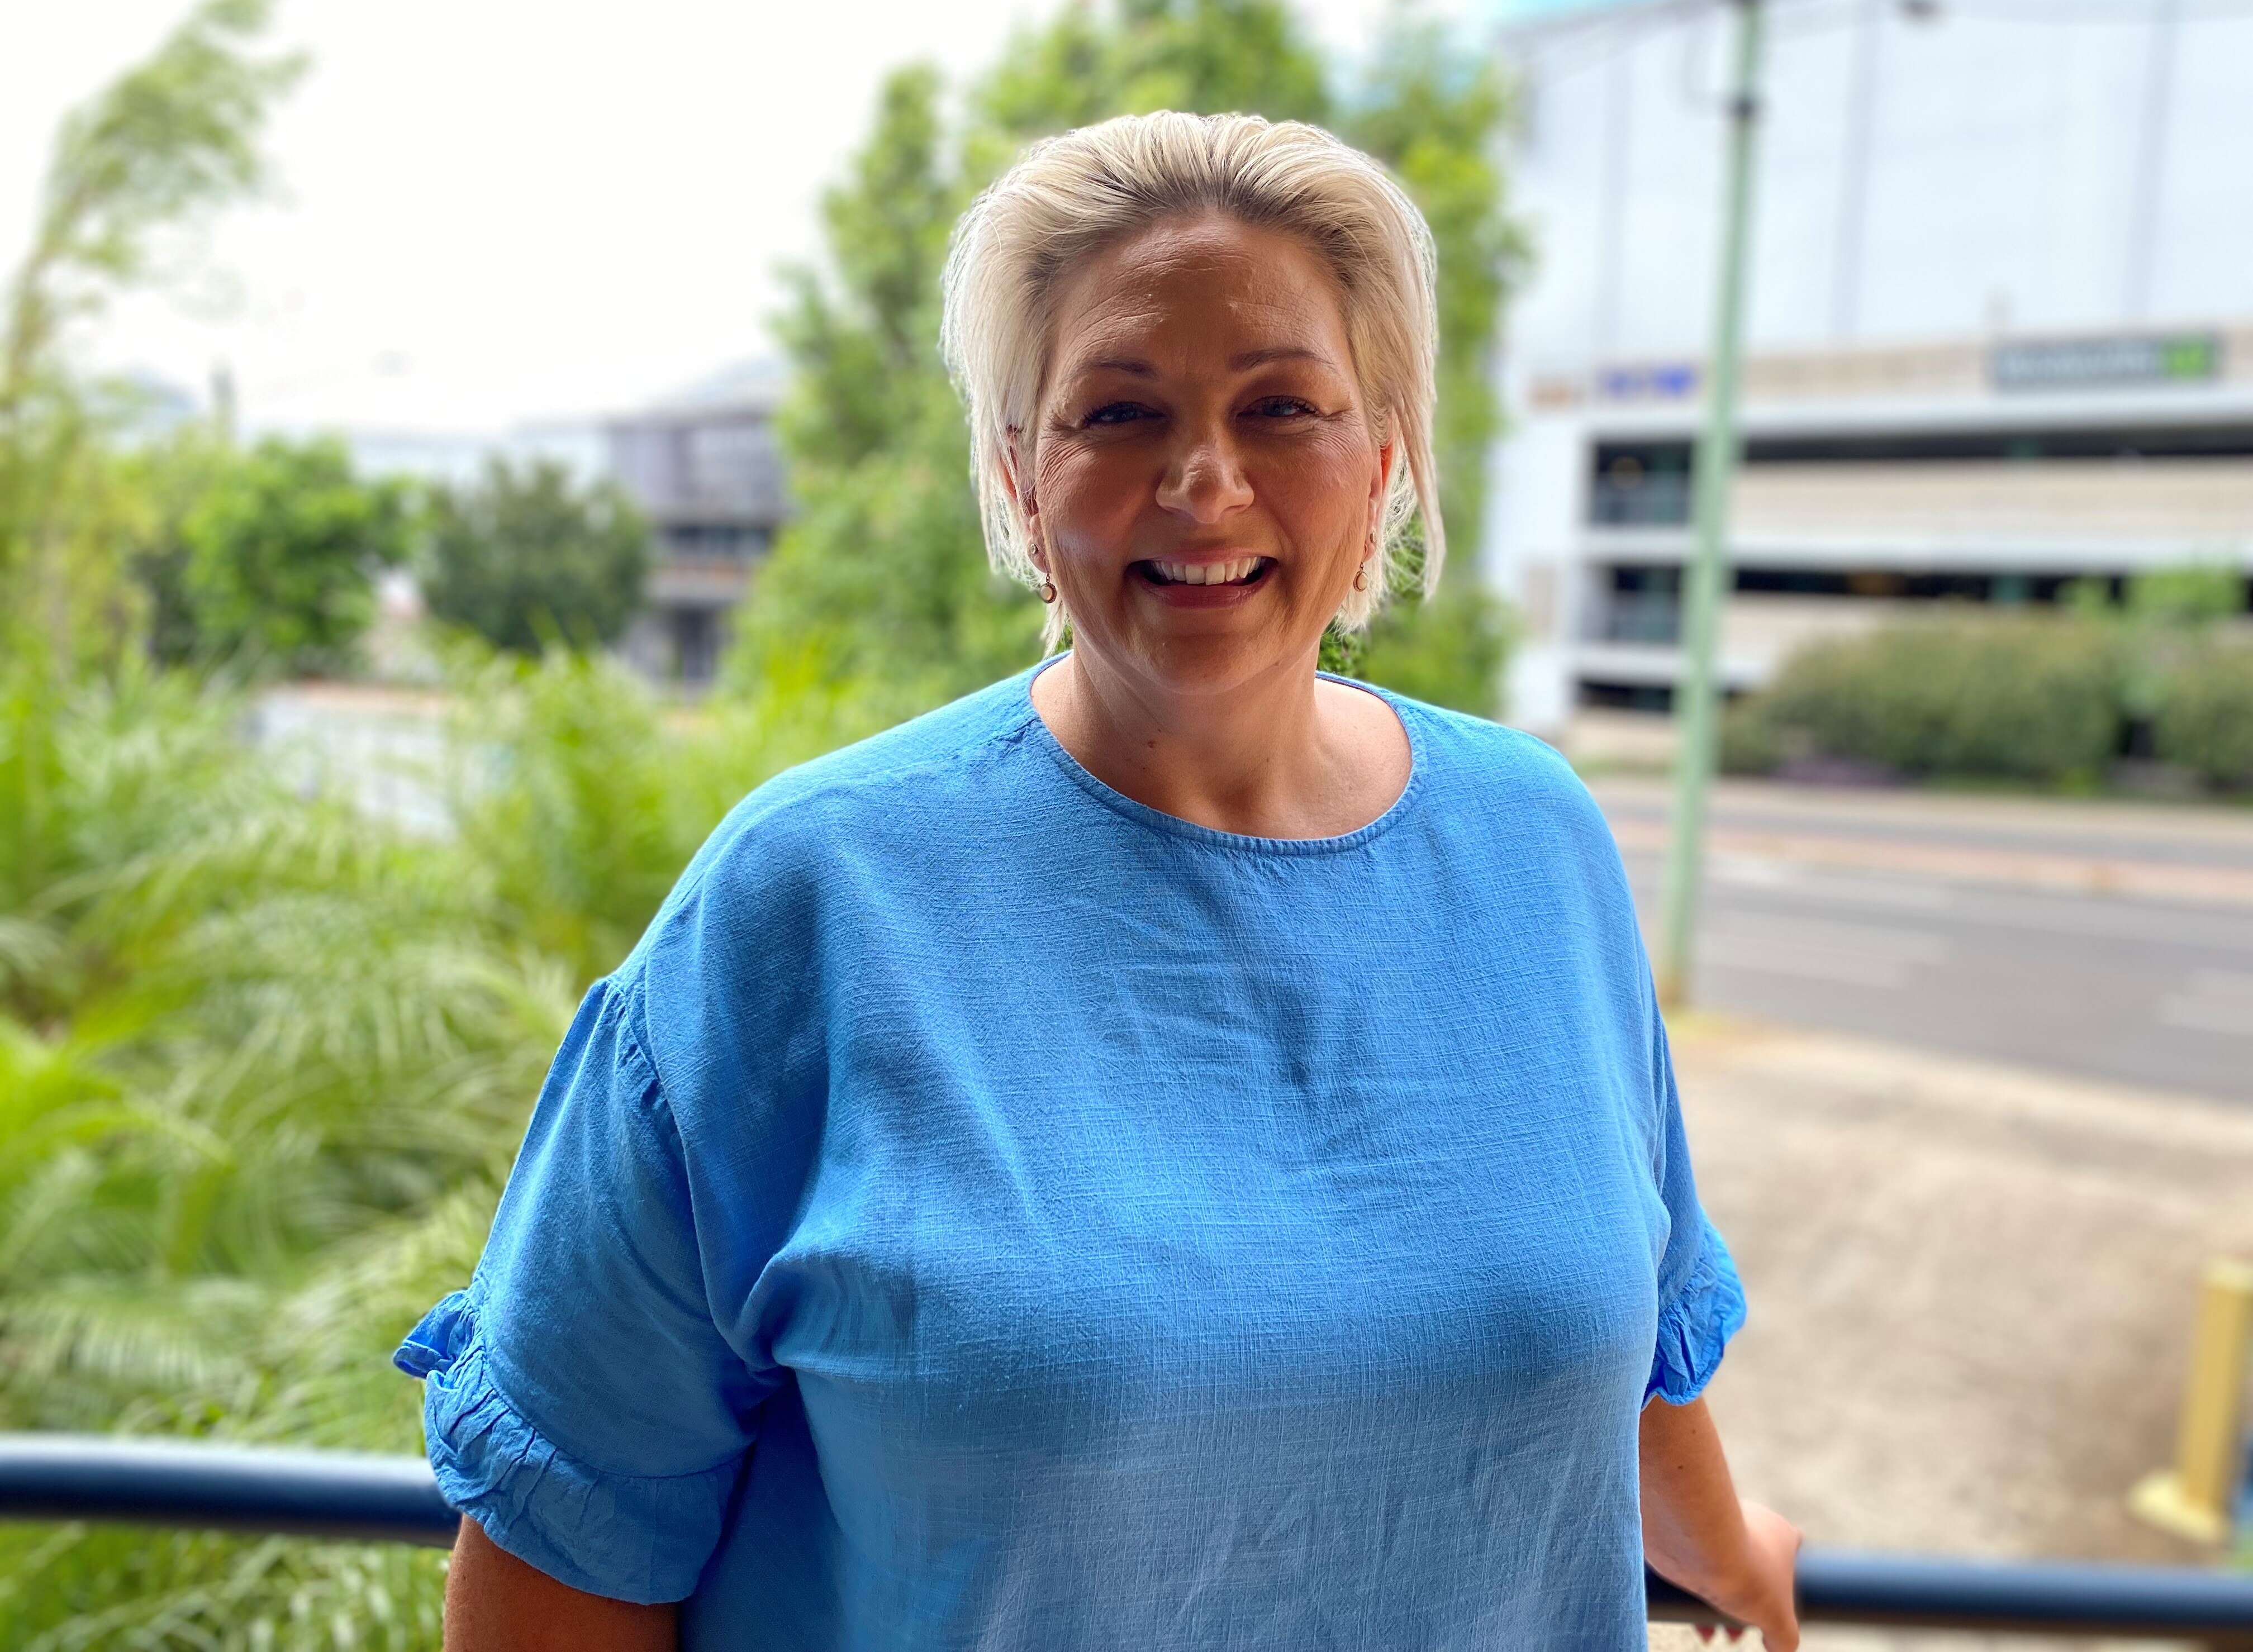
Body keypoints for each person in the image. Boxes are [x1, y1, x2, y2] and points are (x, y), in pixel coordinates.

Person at [399, 110, 1801, 1651]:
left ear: (1386, 458)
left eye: (1284, 407)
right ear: (1019, 476)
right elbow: (570, 1534)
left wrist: (1728, 1552)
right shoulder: (806, 903)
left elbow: (1617, 1331)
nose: (1206, 483)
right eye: (1120, 414)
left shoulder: (1539, 843)